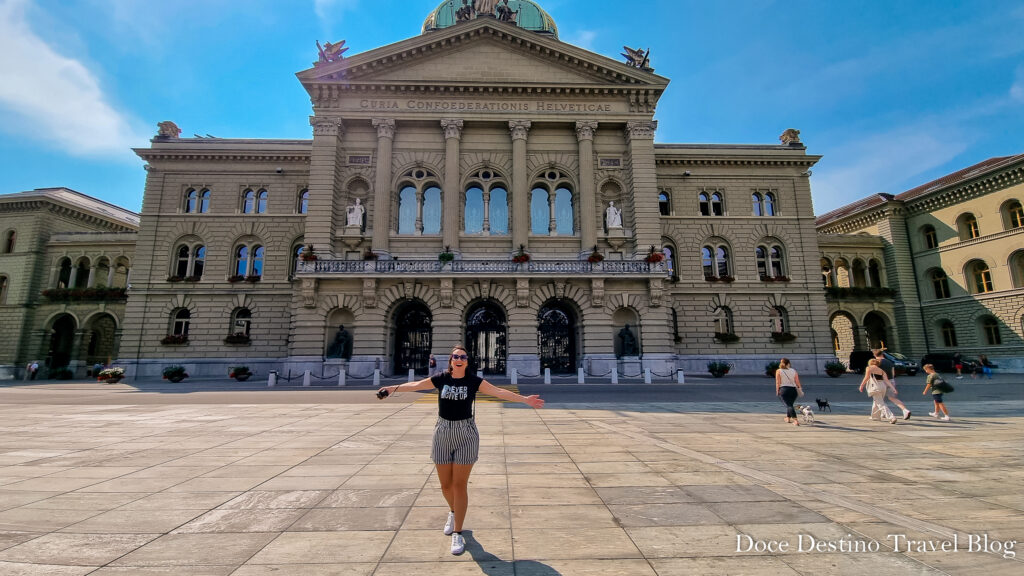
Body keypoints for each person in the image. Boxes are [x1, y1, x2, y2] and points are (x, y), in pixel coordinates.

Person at [377, 345, 544, 555]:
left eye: (463, 357)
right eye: (455, 356)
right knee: (445, 485)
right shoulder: (441, 378)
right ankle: (453, 512)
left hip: (466, 433)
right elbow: (417, 384)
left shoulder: (473, 381)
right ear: (450, 360)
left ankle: (458, 533)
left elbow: (498, 392)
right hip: (443, 432)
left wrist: (525, 400)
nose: (459, 359)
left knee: (459, 484)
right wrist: (393, 388)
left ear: (467, 361)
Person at [873, 349, 910, 419]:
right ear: (883, 354)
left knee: (879, 399)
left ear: (874, 355)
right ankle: (905, 410)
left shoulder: (876, 362)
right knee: (892, 398)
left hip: (881, 381)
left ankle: (885, 414)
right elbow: (893, 373)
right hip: (891, 381)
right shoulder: (889, 362)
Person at [860, 358, 898, 424]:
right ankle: (875, 416)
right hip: (883, 386)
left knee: (880, 403)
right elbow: (887, 381)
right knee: (877, 401)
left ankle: (891, 417)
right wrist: (893, 388)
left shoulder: (869, 368)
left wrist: (862, 385)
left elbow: (867, 377)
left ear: (870, 363)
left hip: (875, 387)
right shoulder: (882, 370)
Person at [774, 358, 803, 426]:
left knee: (789, 405)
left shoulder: (779, 371)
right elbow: (797, 381)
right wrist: (800, 389)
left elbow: (778, 382)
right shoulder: (793, 370)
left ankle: (795, 420)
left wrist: (777, 390)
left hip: (784, 390)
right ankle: (788, 418)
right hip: (793, 390)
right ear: (789, 363)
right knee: (790, 405)